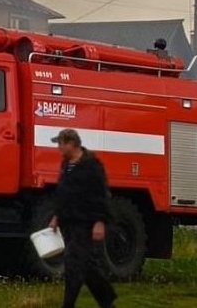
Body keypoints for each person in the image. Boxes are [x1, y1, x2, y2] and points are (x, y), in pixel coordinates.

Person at [48, 128, 116, 308]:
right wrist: (56, 215)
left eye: (60, 144)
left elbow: (100, 194)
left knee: (73, 262)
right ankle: (107, 300)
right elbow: (63, 193)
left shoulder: (91, 165)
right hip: (68, 221)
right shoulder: (66, 165)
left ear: (71, 144)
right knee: (86, 265)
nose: (58, 148)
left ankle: (68, 304)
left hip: (85, 222)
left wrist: (100, 221)